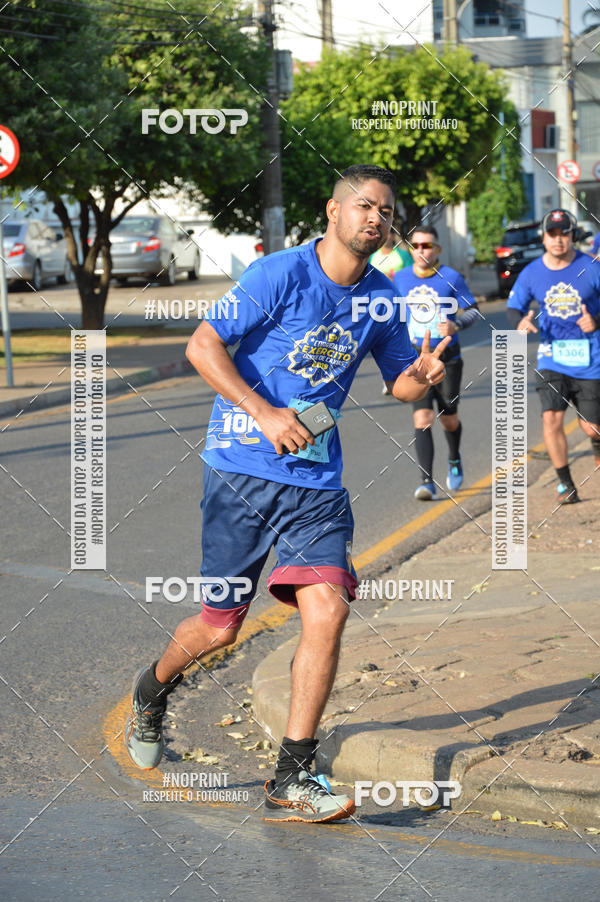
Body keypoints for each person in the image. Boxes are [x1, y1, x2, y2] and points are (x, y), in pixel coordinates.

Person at [124, 165, 450, 823]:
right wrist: (266, 412)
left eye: (386, 212)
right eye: (364, 206)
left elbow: (399, 388)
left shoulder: (381, 298)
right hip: (240, 468)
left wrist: (424, 376)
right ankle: (152, 688)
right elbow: (202, 345)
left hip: (316, 482)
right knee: (220, 626)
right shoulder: (279, 274)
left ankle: (293, 774)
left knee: (327, 608)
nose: (375, 219)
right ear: (333, 211)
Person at [507, 208, 600, 504]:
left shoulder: (592, 266)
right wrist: (520, 322)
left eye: (565, 234)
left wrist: (596, 321)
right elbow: (514, 307)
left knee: (591, 427)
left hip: (590, 359)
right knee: (551, 418)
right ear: (544, 237)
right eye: (553, 234)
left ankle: (596, 445)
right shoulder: (532, 272)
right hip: (552, 358)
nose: (559, 240)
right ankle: (566, 485)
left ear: (573, 236)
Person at [393, 224, 480, 500]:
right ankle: (426, 482)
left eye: (427, 245)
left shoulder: (451, 277)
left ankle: (454, 457)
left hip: (448, 359)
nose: (421, 251)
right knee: (423, 418)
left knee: (448, 419)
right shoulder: (400, 278)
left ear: (437, 249)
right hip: (416, 360)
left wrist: (457, 326)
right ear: (410, 249)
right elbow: (389, 312)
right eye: (416, 245)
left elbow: (474, 311)